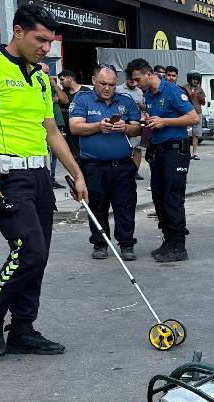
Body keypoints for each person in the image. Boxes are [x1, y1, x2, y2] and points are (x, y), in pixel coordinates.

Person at [0, 3, 88, 357]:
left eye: (50, 41)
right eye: (40, 39)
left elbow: (52, 132)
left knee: (39, 255)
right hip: (5, 174)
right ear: (18, 31)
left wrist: (76, 174)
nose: (46, 48)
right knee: (28, 250)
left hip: (40, 175)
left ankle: (23, 328)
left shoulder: (40, 79)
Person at [127, 58, 198, 262]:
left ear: (149, 74)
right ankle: (168, 240)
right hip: (158, 151)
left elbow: (193, 118)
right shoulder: (149, 94)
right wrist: (149, 121)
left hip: (175, 151)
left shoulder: (173, 91)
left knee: (172, 198)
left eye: (138, 79)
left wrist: (164, 121)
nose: (136, 83)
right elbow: (156, 119)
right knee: (159, 198)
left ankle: (178, 246)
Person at [69, 65, 142, 261]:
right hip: (94, 166)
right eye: (103, 84)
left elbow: (138, 129)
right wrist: (98, 126)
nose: (108, 88)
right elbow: (75, 127)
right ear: (93, 81)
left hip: (122, 165)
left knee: (125, 206)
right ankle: (100, 243)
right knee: (97, 206)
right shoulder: (82, 99)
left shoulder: (125, 101)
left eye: (111, 84)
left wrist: (125, 127)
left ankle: (126, 244)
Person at [115, 71, 146, 179]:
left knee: (138, 148)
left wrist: (141, 105)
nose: (133, 81)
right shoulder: (118, 90)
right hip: (123, 123)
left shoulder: (140, 91)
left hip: (137, 122)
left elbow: (144, 107)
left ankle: (135, 171)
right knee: (125, 147)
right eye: (130, 78)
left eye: (135, 79)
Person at [186, 72, 206, 160]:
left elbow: (203, 103)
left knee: (196, 134)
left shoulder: (200, 89)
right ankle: (186, 153)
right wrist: (192, 95)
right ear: (190, 79)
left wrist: (200, 97)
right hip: (187, 113)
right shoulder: (184, 87)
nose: (195, 81)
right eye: (194, 79)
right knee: (186, 133)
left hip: (197, 113)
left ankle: (194, 153)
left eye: (197, 80)